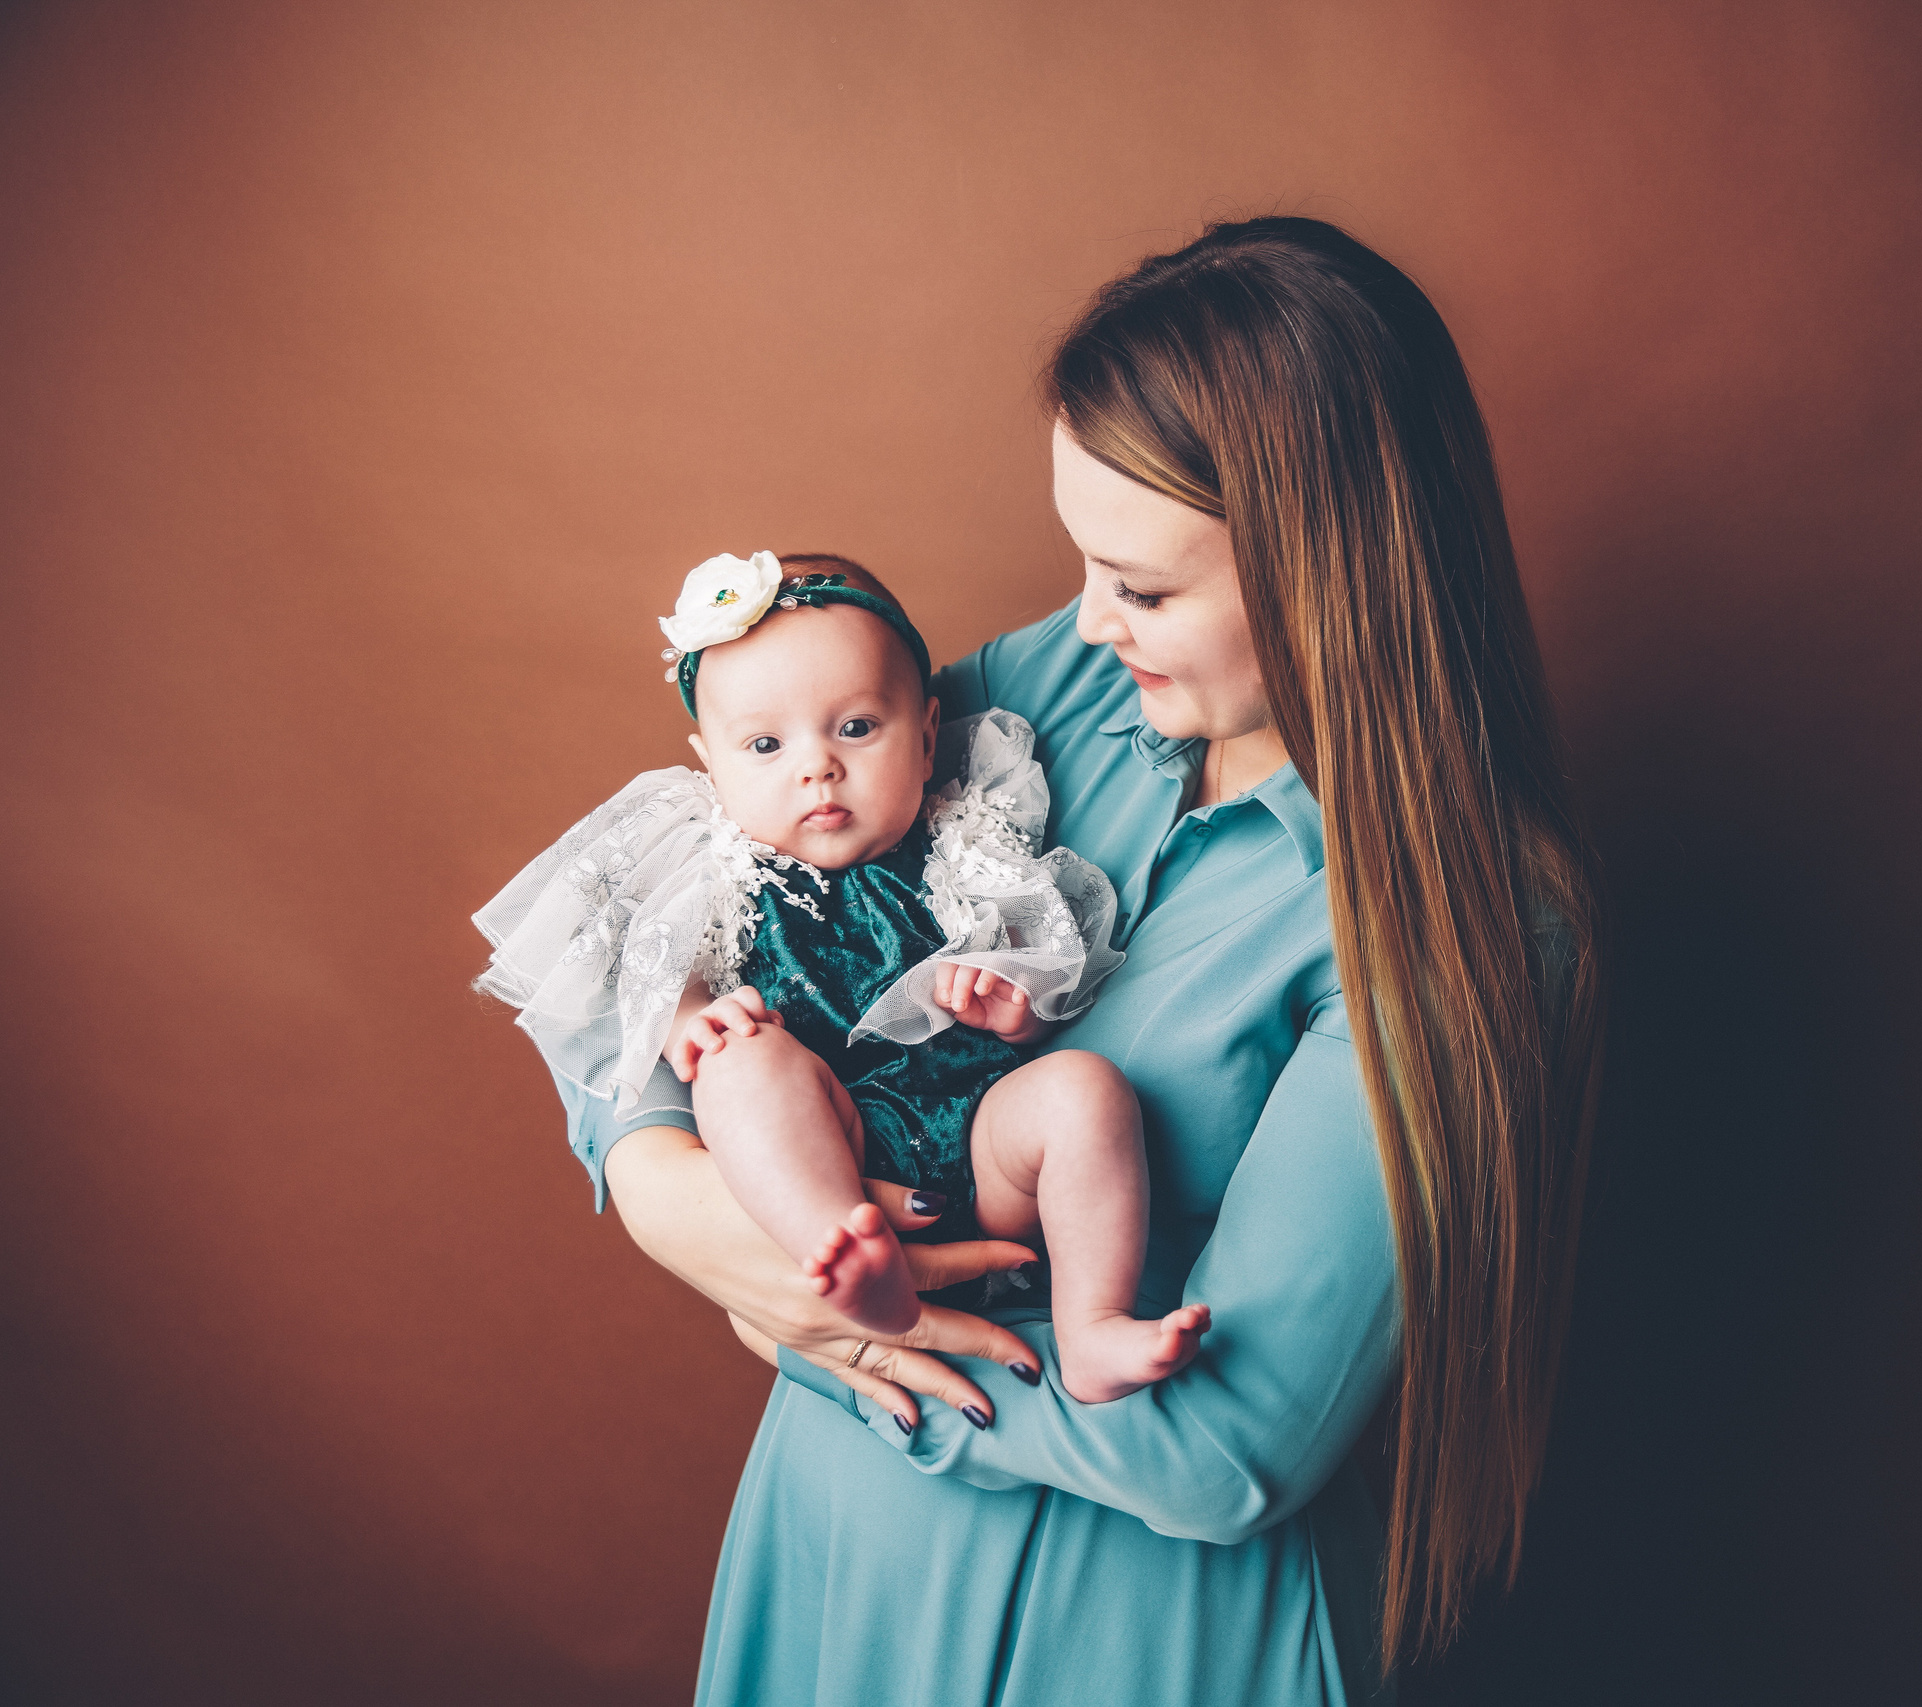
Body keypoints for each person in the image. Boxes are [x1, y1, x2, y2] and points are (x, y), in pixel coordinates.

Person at [554, 217, 1602, 1704]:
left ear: (1334, 573)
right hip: (840, 1564)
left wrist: (815, 1337)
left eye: (1147, 586)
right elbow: (706, 903)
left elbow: (1229, 1445)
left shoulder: (1456, 925)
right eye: (1085, 564)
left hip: (1137, 1635)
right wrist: (674, 1193)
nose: (1088, 617)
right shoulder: (1055, 695)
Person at [476, 552, 1209, 1402]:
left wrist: (1016, 1008)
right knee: (741, 1061)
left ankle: (1093, 1327)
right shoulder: (712, 864)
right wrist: (689, 1019)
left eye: (856, 728)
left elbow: (1047, 967)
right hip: (836, 1147)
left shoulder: (968, 832)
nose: (816, 766)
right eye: (764, 744)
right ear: (709, 762)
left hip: (985, 1148)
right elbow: (630, 968)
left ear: (929, 731)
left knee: (1084, 1088)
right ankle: (844, 1250)